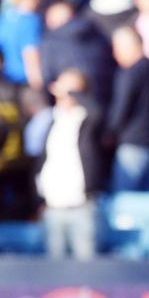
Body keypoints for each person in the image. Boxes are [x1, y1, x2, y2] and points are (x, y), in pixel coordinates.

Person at [35, 69, 104, 260]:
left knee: (86, 264)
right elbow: (43, 161)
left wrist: (71, 91)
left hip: (81, 205)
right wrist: (39, 198)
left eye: (70, 88)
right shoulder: (53, 120)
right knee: (54, 266)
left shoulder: (88, 119)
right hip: (53, 206)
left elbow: (97, 109)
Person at [107, 26, 149, 192]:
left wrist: (109, 133)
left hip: (133, 144)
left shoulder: (130, 73)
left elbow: (121, 109)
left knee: (126, 205)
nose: (114, 54)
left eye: (117, 48)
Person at [0, 0, 43, 90]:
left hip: (4, 77)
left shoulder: (4, 18)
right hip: (23, 78)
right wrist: (36, 81)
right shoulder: (30, 20)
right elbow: (29, 51)